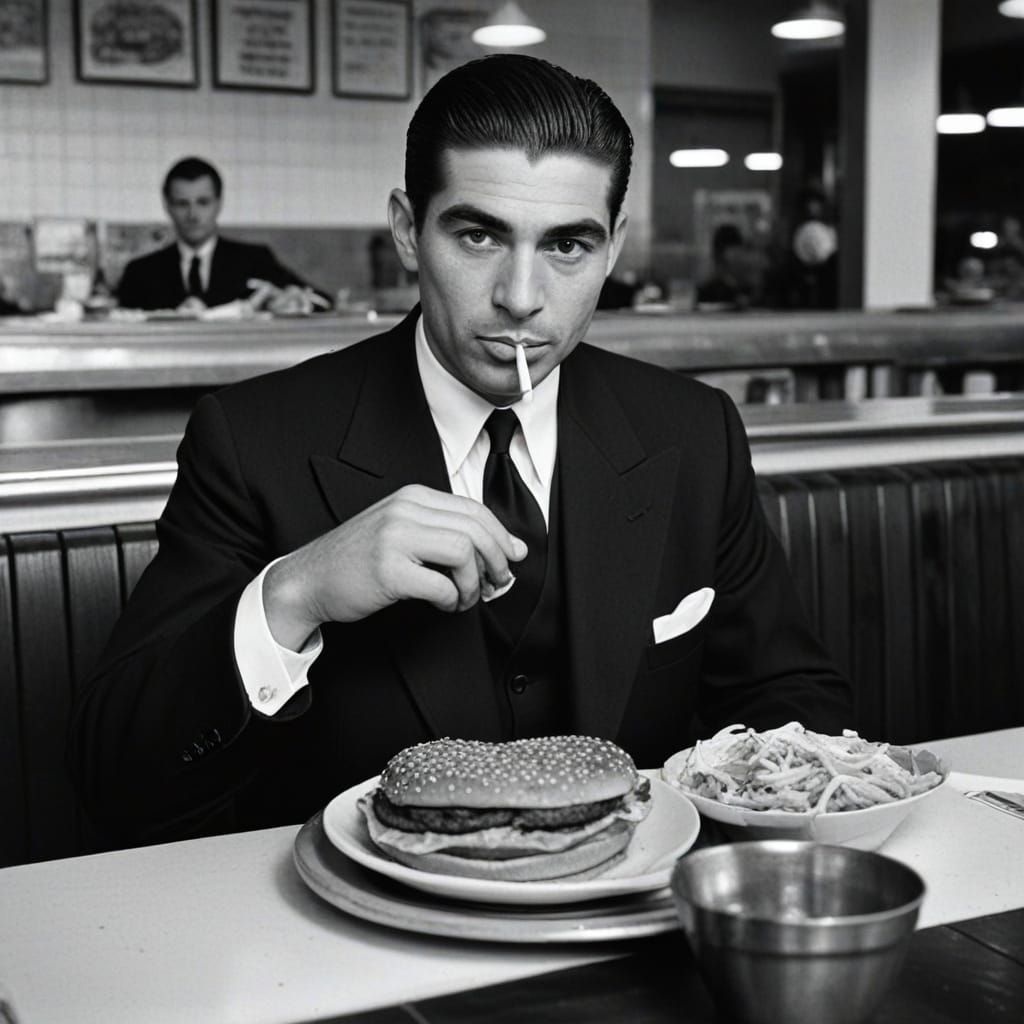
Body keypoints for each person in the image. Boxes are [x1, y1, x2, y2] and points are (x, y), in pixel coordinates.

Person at [69, 56, 852, 847]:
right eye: (478, 235)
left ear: (613, 247)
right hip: (351, 948)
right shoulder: (253, 440)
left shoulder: (693, 431)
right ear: (409, 229)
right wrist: (295, 594)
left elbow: (790, 698)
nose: (520, 295)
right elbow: (116, 779)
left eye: (568, 246)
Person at [115, 156, 329, 314]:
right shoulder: (140, 273)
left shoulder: (255, 260)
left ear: (219, 203)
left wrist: (299, 302)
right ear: (167, 206)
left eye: (203, 202)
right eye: (182, 204)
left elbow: (324, 302)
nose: (193, 214)